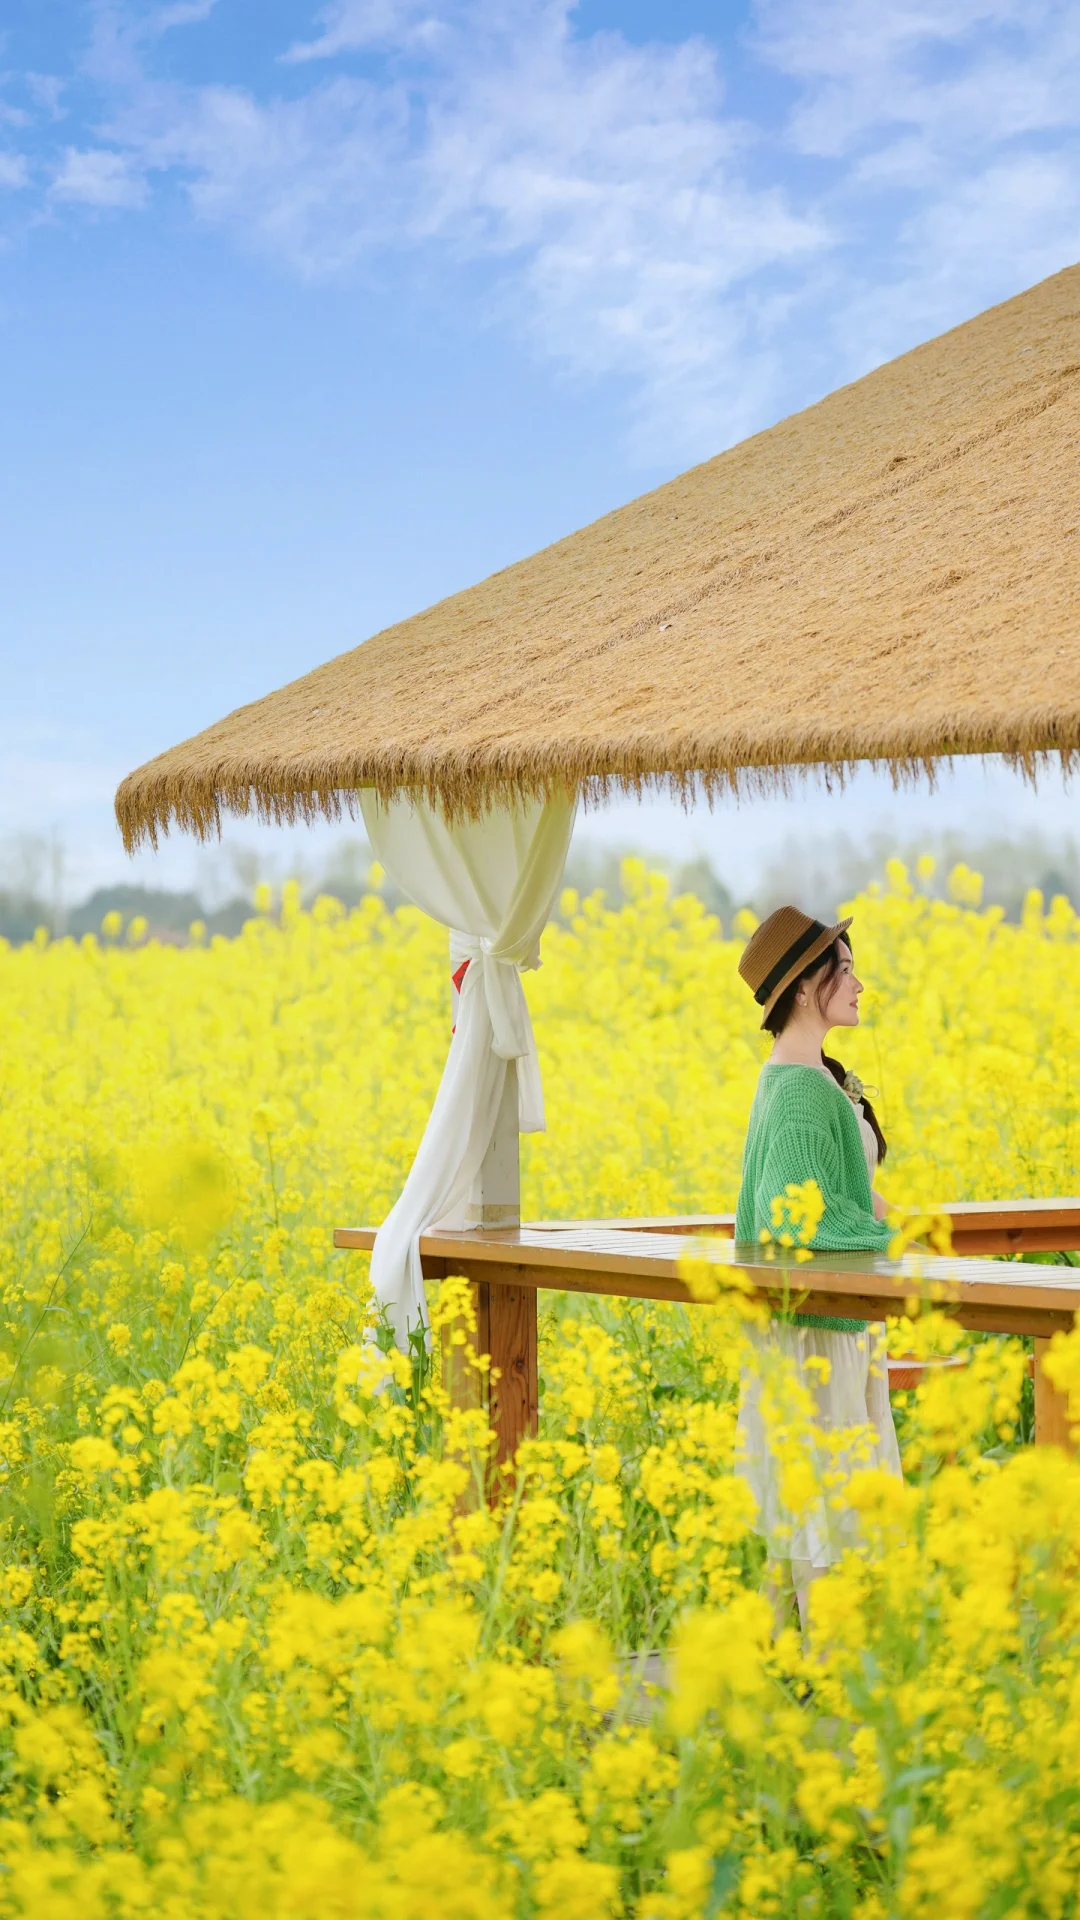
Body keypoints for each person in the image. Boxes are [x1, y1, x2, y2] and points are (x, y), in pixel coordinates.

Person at [733, 905, 902, 1637]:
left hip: (829, 1321)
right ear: (806, 987)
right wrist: (891, 1238)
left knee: (808, 1495)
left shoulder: (810, 1078)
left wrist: (906, 1226)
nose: (861, 983)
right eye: (847, 968)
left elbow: (842, 1190)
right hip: (818, 1329)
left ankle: (788, 1668)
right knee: (824, 1501)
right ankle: (825, 1674)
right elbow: (792, 1216)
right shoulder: (802, 1090)